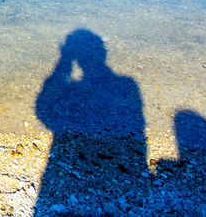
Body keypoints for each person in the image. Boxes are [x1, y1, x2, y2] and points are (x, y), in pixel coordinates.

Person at [34, 29, 148, 214]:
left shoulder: (126, 84)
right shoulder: (127, 84)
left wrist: (64, 60)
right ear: (103, 52)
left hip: (70, 153)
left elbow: (43, 111)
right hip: (121, 154)